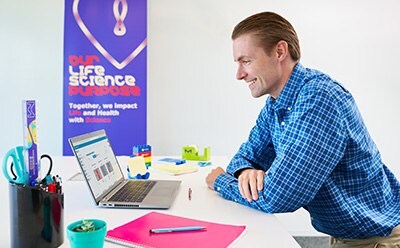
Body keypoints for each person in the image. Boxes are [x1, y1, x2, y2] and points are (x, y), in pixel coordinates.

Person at [205, 11, 400, 247]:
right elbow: (246, 155)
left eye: (246, 61)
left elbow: (278, 196)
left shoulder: (318, 100)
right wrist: (245, 172)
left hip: (378, 239)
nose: (239, 74)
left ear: (279, 52)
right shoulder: (277, 104)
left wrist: (222, 181)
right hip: (351, 236)